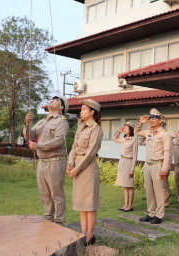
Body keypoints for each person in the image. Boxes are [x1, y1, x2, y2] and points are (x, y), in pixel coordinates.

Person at [23, 96, 69, 226]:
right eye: (52, 99)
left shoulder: (62, 122)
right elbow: (29, 135)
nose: (52, 100)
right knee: (44, 193)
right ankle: (48, 218)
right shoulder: (42, 121)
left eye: (56, 100)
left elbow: (59, 140)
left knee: (56, 193)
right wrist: (27, 123)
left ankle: (58, 221)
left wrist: (39, 146)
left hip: (55, 161)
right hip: (42, 162)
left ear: (61, 107)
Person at [67, 99, 103, 246]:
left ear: (92, 112)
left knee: (90, 204)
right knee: (81, 204)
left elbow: (90, 153)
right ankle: (83, 233)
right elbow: (74, 147)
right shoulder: (81, 127)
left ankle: (90, 236)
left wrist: (76, 169)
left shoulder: (96, 129)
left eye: (83, 109)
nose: (80, 112)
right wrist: (70, 162)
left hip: (87, 169)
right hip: (77, 167)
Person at [135, 108, 171, 224]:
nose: (151, 120)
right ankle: (151, 213)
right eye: (150, 118)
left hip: (158, 165)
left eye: (154, 118)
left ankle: (159, 215)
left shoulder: (164, 134)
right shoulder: (148, 132)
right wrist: (140, 123)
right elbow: (136, 132)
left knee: (159, 191)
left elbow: (167, 152)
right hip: (148, 164)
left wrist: (164, 169)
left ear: (160, 120)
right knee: (149, 191)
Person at [114, 122, 138, 212]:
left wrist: (132, 169)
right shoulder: (124, 139)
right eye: (124, 128)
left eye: (126, 128)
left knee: (129, 185)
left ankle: (130, 206)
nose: (124, 129)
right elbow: (115, 139)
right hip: (122, 161)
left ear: (130, 130)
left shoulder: (133, 140)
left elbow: (135, 156)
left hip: (129, 162)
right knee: (125, 185)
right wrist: (119, 132)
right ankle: (125, 204)